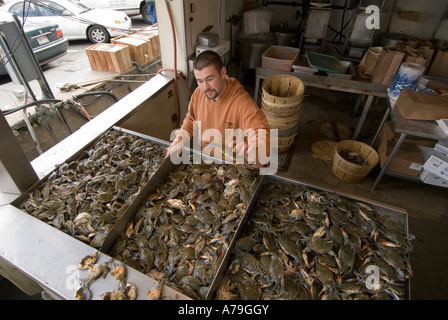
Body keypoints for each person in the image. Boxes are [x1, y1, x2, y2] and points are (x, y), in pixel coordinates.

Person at [166, 50, 271, 168]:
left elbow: (262, 136)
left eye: (210, 79)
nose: (205, 87)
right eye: (200, 81)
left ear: (222, 72)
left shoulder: (243, 103)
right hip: (208, 164)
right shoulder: (198, 93)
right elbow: (191, 119)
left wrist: (251, 153)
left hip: (235, 169)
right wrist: (180, 138)